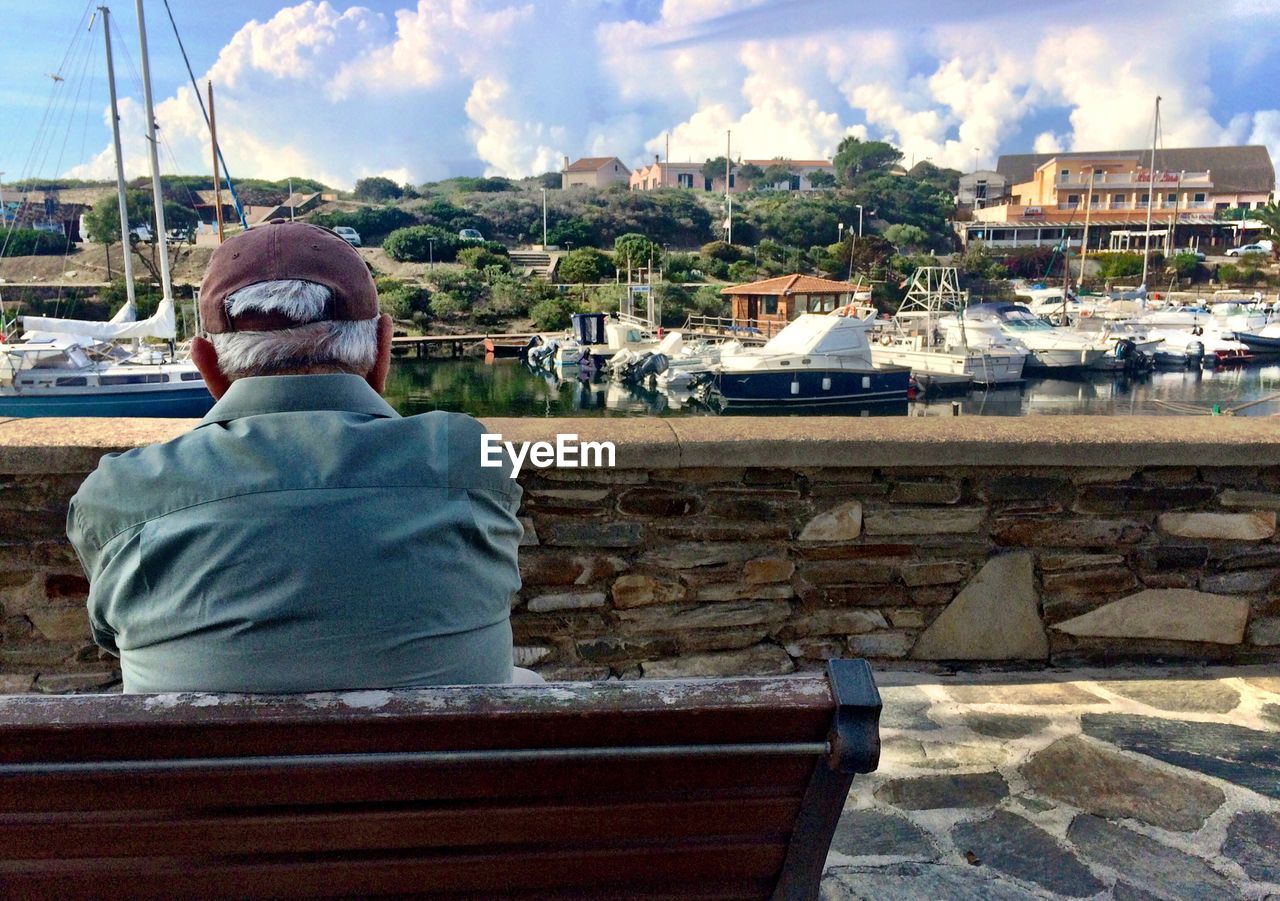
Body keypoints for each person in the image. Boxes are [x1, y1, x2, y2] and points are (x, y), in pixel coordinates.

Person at [67, 220, 528, 692]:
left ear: (207, 365)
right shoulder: (469, 459)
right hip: (446, 763)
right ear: (383, 348)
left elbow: (112, 637)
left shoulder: (120, 496)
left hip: (206, 764)